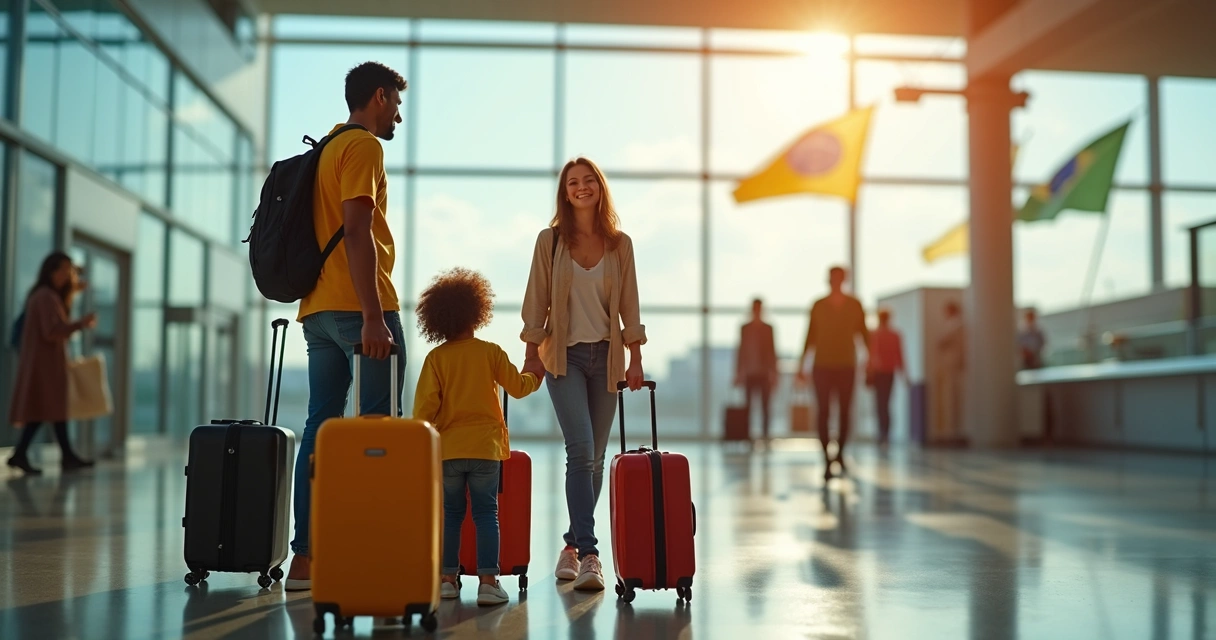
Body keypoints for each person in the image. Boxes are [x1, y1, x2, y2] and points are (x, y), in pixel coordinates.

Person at [284, 61, 407, 592]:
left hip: (316, 310)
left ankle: (304, 561)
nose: (399, 116)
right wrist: (375, 315)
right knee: (379, 431)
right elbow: (356, 233)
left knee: (321, 425)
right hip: (360, 310)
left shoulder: (326, 147)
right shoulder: (363, 147)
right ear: (379, 97)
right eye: (397, 104)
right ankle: (371, 550)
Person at [520, 157, 646, 592]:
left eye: (588, 180)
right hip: (564, 359)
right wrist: (531, 353)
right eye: (573, 182)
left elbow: (629, 303)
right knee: (581, 449)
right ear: (565, 191)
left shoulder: (620, 244)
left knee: (594, 459)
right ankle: (592, 554)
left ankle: (571, 546)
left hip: (606, 359)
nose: (581, 187)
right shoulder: (550, 240)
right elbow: (537, 298)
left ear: (599, 187)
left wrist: (635, 357)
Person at [412, 268, 540, 607]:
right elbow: (519, 387)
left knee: (451, 515)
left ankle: (446, 580)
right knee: (486, 514)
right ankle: (487, 582)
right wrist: (535, 373)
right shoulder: (490, 352)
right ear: (476, 312)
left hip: (448, 452)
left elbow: (424, 410)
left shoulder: (436, 358)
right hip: (485, 450)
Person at [6, 252, 97, 474]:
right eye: (63, 270)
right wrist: (81, 324)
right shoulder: (45, 296)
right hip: (45, 365)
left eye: (69, 271)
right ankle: (59, 455)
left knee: (49, 411)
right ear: (51, 271)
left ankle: (33, 454)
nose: (66, 276)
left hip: (45, 363)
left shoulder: (44, 295)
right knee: (50, 410)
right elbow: (52, 330)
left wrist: (73, 291)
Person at [796, 266, 869, 481]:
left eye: (840, 277)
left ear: (844, 279)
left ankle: (841, 454)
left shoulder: (855, 305)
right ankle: (826, 460)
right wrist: (802, 365)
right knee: (824, 412)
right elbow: (809, 336)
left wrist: (871, 359)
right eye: (833, 278)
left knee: (845, 412)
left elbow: (864, 334)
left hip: (847, 364)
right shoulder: (818, 305)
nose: (836, 281)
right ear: (828, 280)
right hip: (822, 366)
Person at [734, 298, 778, 440]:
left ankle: (765, 435)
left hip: (764, 373)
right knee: (748, 407)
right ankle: (747, 435)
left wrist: (774, 373)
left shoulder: (768, 329)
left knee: (766, 407)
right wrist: (738, 372)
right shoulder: (745, 328)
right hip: (749, 373)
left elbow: (772, 352)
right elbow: (740, 351)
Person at [866, 308, 905, 448]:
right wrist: (904, 375)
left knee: (880, 404)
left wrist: (869, 371)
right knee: (885, 404)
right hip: (886, 373)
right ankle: (884, 434)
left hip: (881, 372)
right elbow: (899, 356)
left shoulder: (876, 335)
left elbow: (871, 355)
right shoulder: (893, 335)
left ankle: (883, 434)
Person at [936, 300, 966, 440]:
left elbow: (942, 340)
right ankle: (951, 430)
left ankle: (953, 432)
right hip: (951, 365)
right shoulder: (954, 325)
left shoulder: (956, 325)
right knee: (950, 399)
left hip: (953, 365)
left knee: (952, 398)